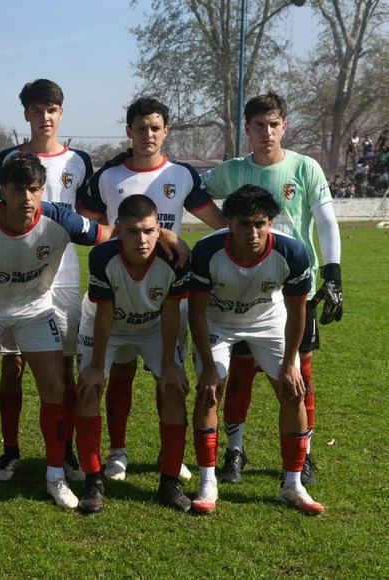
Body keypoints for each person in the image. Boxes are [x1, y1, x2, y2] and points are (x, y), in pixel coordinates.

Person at [0, 151, 116, 513]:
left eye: (35, 189)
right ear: (2, 190)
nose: (28, 198)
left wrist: (157, 234)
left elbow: (107, 234)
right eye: (19, 190)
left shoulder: (60, 219)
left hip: (34, 312)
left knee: (53, 387)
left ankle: (55, 476)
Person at [201, 92, 342, 487]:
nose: (267, 132)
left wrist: (333, 273)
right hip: (245, 288)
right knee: (241, 372)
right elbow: (192, 192)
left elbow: (326, 222)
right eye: (259, 125)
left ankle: (304, 456)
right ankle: (235, 451)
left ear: (285, 126)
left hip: (294, 287)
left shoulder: (305, 167)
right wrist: (220, 229)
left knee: (300, 374)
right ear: (247, 128)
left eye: (274, 124)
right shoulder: (230, 171)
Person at [85, 97, 226, 482]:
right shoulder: (108, 177)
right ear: (128, 131)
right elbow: (84, 225)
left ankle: (170, 453)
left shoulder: (181, 175)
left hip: (168, 292)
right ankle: (117, 452)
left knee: (169, 375)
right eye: (140, 127)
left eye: (155, 127)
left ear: (166, 131)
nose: (148, 134)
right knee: (122, 373)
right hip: (119, 288)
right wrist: (161, 232)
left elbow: (218, 221)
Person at [0, 79, 96, 483]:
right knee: (11, 368)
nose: (44, 118)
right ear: (26, 114)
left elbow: (88, 219)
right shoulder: (8, 158)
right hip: (14, 278)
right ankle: (10, 452)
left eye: (52, 110)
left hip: (62, 278)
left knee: (63, 369)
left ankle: (65, 454)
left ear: (61, 113)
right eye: (36, 110)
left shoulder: (79, 161)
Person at [189, 184, 324, 515]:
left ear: (271, 222)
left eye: (260, 223)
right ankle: (208, 482)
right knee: (209, 391)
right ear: (229, 223)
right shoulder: (206, 251)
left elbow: (297, 312)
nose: (253, 232)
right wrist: (208, 366)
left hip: (268, 321)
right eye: (244, 223)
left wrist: (291, 363)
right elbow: (195, 312)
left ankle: (292, 485)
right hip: (218, 322)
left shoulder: (292, 252)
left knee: (293, 391)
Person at [76, 194, 191, 514]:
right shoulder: (102, 258)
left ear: (159, 230)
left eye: (149, 231)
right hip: (106, 325)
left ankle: (169, 481)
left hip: (153, 325)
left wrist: (169, 364)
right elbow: (105, 315)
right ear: (118, 230)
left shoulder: (174, 258)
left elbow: (171, 313)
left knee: (172, 389)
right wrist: (97, 366)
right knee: (88, 389)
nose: (142, 239)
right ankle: (93, 480)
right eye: (132, 232)